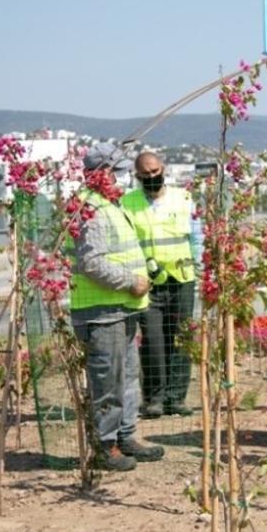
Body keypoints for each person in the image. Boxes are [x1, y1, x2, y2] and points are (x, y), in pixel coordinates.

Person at [69, 143, 165, 471]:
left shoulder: (108, 204)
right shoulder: (90, 209)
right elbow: (91, 262)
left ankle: (126, 435)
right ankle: (104, 446)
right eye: (115, 172)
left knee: (127, 377)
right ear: (100, 174)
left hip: (121, 308)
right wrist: (130, 281)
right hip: (101, 310)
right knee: (107, 381)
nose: (121, 179)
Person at [123, 150, 201, 419]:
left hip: (181, 279)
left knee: (181, 338)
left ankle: (176, 397)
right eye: (145, 174)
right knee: (153, 341)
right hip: (148, 284)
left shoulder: (183, 198)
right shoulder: (128, 203)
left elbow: (196, 238)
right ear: (137, 176)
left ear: (163, 169)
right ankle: (154, 398)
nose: (152, 177)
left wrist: (199, 269)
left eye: (155, 172)